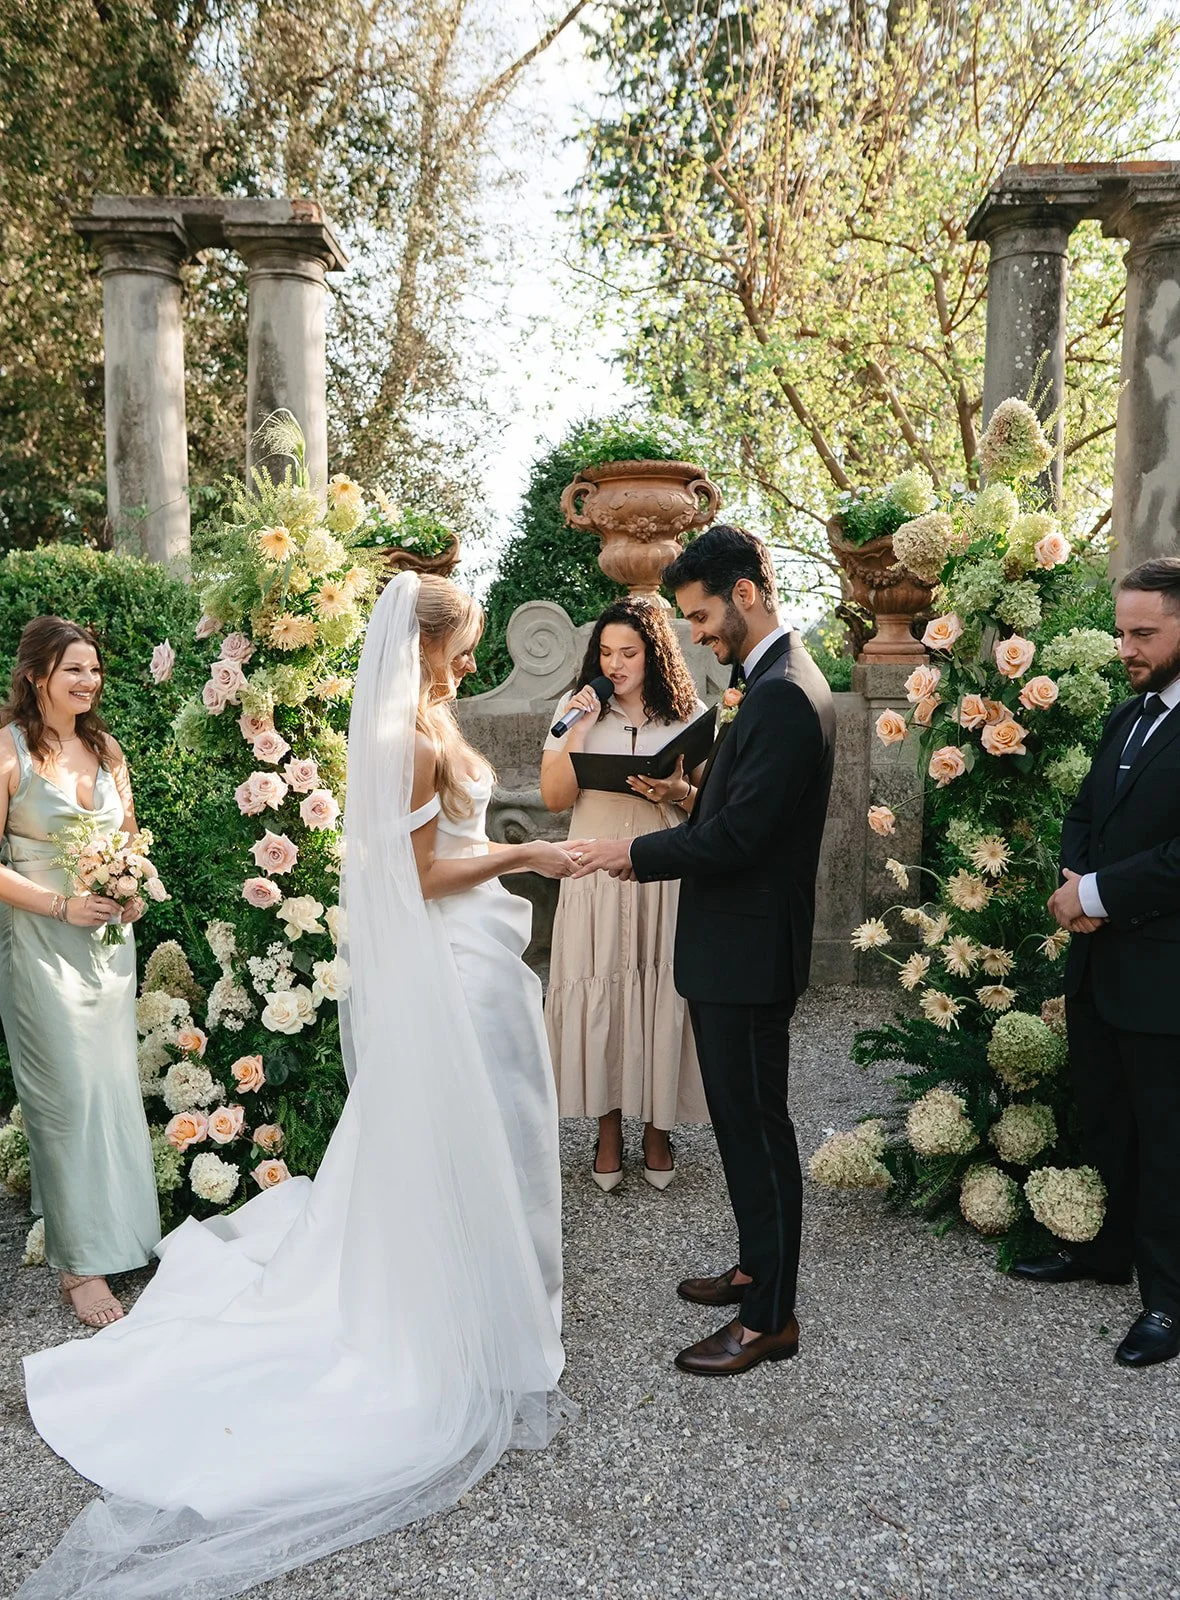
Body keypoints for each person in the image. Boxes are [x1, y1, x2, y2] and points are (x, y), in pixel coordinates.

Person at [18, 572, 576, 1600]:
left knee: (488, 1128)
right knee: (474, 1126)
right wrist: (533, 850)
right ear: (433, 642)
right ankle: (472, 1312)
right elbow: (416, 873)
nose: (468, 662)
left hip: (480, 953)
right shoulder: (408, 737)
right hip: (458, 955)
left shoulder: (429, 718)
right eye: (463, 646)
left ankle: (501, 1292)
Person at [570, 526, 835, 1376]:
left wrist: (631, 854)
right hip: (735, 947)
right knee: (739, 1125)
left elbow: (743, 843)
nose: (696, 633)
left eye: (701, 614)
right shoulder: (767, 687)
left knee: (757, 1131)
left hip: (748, 952)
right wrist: (690, 793)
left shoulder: (788, 694)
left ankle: (770, 1321)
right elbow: (740, 811)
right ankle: (758, 1266)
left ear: (746, 593)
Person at [1015, 555, 1180, 1371]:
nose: (1127, 648)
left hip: (1163, 971)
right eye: (1123, 633)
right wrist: (1073, 882)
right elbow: (1083, 812)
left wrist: (1102, 893)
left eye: (1144, 633)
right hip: (1098, 965)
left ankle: (1169, 1298)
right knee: (1106, 1116)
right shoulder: (1129, 714)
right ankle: (1107, 1252)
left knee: (1166, 1136)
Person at [0, 617, 158, 1330]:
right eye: (74, 670)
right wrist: (62, 904)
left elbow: (129, 840)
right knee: (63, 1099)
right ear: (37, 675)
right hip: (40, 944)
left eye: (94, 670)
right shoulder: (7, 754)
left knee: (110, 1090)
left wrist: (131, 894)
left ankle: (121, 1232)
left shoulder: (106, 747)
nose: (89, 682)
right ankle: (79, 1265)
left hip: (106, 949)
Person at [542, 596, 709, 1191]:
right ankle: (608, 1129)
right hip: (593, 868)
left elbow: (707, 809)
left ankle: (659, 1129)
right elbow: (557, 798)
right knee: (603, 987)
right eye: (606, 652)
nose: (615, 664)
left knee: (659, 985)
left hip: (662, 867)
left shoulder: (688, 716)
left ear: (655, 654)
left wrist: (675, 791)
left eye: (629, 653)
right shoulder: (574, 711)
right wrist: (579, 731)